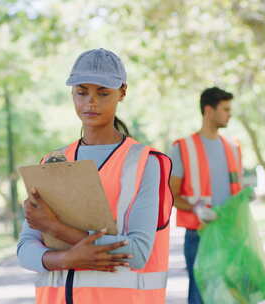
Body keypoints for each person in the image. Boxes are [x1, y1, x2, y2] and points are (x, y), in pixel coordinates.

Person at [17, 48, 173, 304]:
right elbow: (25, 249)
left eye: (103, 93)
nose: (91, 102)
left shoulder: (146, 163)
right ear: (72, 94)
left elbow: (137, 252)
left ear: (122, 92)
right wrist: (67, 259)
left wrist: (54, 227)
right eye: (82, 92)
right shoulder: (53, 161)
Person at [169, 87, 243, 304]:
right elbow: (172, 195)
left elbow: (235, 189)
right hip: (199, 235)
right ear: (209, 110)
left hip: (230, 232)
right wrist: (196, 208)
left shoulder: (233, 147)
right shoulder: (183, 147)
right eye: (225, 109)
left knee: (230, 295)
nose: (230, 114)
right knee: (200, 294)